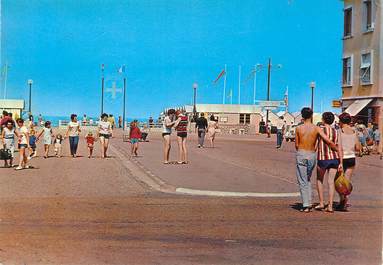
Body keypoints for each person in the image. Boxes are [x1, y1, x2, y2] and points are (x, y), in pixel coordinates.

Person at [295, 107, 338, 213]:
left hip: (301, 153)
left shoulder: (298, 128)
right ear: (312, 115)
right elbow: (327, 140)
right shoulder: (316, 128)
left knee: (303, 180)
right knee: (308, 178)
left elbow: (296, 144)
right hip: (312, 155)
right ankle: (308, 201)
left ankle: (306, 204)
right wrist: (336, 149)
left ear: (302, 116)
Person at [315, 112, 343, 213]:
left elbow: (316, 145)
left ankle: (321, 202)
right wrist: (340, 162)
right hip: (334, 158)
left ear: (323, 119)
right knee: (331, 182)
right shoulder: (336, 131)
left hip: (323, 158)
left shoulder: (320, 130)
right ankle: (330, 205)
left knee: (319, 179)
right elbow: (339, 147)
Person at [337, 112, 361, 211]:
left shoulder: (340, 131)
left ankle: (343, 200)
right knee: (346, 181)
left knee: (339, 182)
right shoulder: (353, 131)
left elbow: (339, 148)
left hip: (343, 158)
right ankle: (344, 200)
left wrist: (341, 163)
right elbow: (358, 147)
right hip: (352, 157)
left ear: (341, 121)